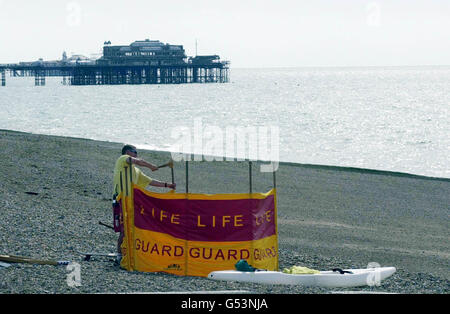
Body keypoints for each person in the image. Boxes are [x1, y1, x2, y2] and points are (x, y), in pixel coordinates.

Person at [113, 144, 176, 264]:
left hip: (132, 201)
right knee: (124, 228)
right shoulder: (122, 159)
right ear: (127, 152)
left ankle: (131, 252)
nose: (136, 153)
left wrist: (167, 185)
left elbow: (150, 181)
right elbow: (137, 161)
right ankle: (119, 255)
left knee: (133, 226)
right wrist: (150, 165)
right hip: (121, 199)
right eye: (134, 151)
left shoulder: (135, 170)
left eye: (137, 151)